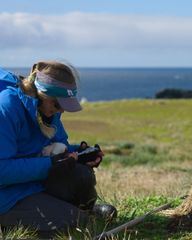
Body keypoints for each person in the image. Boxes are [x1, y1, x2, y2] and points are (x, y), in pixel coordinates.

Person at [0, 61, 117, 237]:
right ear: (41, 93)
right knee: (76, 226)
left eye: (65, 105)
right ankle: (10, 225)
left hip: (31, 185)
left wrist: (80, 153)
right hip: (7, 195)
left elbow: (60, 145)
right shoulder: (6, 108)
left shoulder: (48, 110)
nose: (60, 110)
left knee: (81, 173)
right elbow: (2, 171)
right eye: (57, 105)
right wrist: (50, 164)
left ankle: (84, 211)